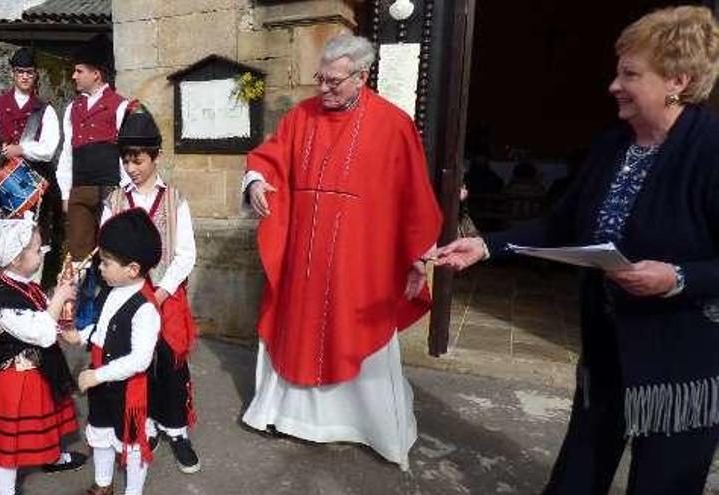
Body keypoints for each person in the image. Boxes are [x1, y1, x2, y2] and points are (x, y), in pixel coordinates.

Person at [435, 6, 719, 494]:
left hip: (679, 364)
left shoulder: (711, 149)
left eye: (630, 74)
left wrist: (678, 278)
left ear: (678, 79)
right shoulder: (612, 144)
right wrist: (485, 247)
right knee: (576, 477)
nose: (614, 85)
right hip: (606, 349)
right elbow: (561, 225)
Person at [240, 34, 443, 470]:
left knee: (355, 328)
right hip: (305, 259)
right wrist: (256, 180)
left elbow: (415, 195)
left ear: (361, 77)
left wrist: (418, 254)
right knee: (295, 329)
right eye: (321, 79)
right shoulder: (301, 116)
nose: (324, 89)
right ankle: (285, 414)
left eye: (334, 81)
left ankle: (368, 425)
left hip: (360, 261)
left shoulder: (394, 124)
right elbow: (269, 156)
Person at [102, 104, 200, 474]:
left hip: (166, 296)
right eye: (126, 160)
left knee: (170, 365)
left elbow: (186, 254)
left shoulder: (175, 199)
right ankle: (143, 424)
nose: (132, 167)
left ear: (155, 156)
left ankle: (175, 429)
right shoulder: (114, 201)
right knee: (134, 365)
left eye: (139, 159)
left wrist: (160, 292)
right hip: (128, 299)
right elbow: (106, 249)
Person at [0, 216, 86, 495]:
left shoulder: (25, 283)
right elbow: (43, 333)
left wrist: (59, 294)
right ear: (15, 259)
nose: (42, 252)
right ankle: (6, 491)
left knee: (49, 419)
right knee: (10, 440)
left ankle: (53, 457)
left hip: (38, 371)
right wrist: (60, 298)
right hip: (16, 378)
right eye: (37, 250)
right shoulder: (4, 302)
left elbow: (43, 312)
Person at [65, 209, 163, 495]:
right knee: (101, 435)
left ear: (132, 269)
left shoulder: (145, 308)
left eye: (106, 263)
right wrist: (80, 335)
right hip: (103, 385)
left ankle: (133, 491)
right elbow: (103, 327)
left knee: (132, 446)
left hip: (128, 391)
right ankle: (103, 484)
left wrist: (97, 375)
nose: (100, 268)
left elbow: (140, 359)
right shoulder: (112, 288)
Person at [0, 46, 62, 279]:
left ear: (35, 74)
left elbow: (49, 149)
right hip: (4, 183)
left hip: (35, 185)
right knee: (3, 237)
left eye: (29, 72)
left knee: (35, 238)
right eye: (20, 72)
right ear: (13, 74)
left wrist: (22, 149)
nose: (25, 76)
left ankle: (32, 289)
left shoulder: (45, 110)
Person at [56, 34, 130, 262]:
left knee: (114, 252)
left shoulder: (121, 105)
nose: (73, 76)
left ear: (96, 74)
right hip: (79, 190)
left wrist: (125, 192)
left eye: (79, 71)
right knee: (79, 256)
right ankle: (80, 298)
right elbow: (68, 153)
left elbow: (125, 154)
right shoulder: (72, 109)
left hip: (111, 190)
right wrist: (66, 192)